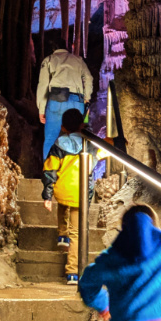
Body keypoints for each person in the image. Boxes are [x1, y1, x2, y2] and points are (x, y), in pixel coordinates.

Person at [42, 108, 101, 286]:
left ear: (62, 127)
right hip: (81, 193)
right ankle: (73, 273)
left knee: (62, 201)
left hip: (62, 189)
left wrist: (47, 194)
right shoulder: (89, 144)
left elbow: (50, 170)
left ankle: (62, 235)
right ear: (81, 125)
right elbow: (100, 156)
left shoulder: (59, 144)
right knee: (77, 233)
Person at [37, 47, 94, 161]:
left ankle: (50, 173)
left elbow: (43, 85)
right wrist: (87, 98)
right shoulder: (78, 60)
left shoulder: (49, 59)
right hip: (77, 101)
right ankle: (77, 169)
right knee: (77, 135)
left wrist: (41, 109)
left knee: (51, 138)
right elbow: (88, 78)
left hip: (56, 100)